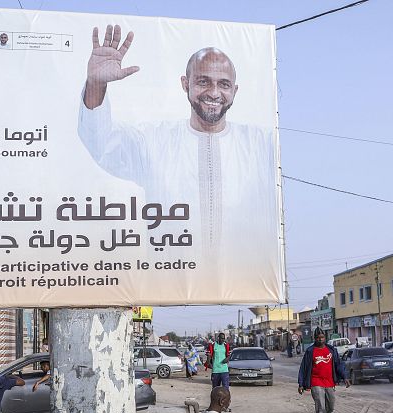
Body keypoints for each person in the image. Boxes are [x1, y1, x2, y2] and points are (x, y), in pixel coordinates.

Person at [77, 25, 278, 258]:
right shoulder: (153, 142)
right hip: (172, 286)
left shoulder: (261, 145)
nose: (214, 93)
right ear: (185, 84)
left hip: (244, 286)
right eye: (203, 81)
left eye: (223, 84)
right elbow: (100, 142)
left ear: (234, 90)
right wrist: (96, 84)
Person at [298, 328, 349, 413]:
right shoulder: (310, 351)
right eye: (318, 338)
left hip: (329, 382)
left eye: (322, 338)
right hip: (316, 382)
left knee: (331, 406)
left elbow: (338, 364)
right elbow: (303, 367)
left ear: (325, 338)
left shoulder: (331, 350)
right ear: (314, 338)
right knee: (320, 406)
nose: (320, 340)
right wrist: (301, 383)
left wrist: (345, 377)